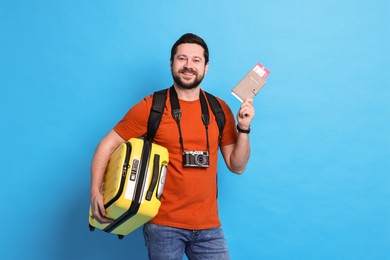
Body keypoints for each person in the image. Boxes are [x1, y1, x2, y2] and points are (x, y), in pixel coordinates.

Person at [90, 33, 255, 260]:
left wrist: (243, 129)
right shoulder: (152, 106)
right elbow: (106, 145)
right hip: (163, 226)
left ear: (206, 67)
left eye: (196, 60)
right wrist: (95, 190)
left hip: (209, 227)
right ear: (171, 63)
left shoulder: (220, 109)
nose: (189, 66)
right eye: (182, 59)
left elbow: (237, 166)